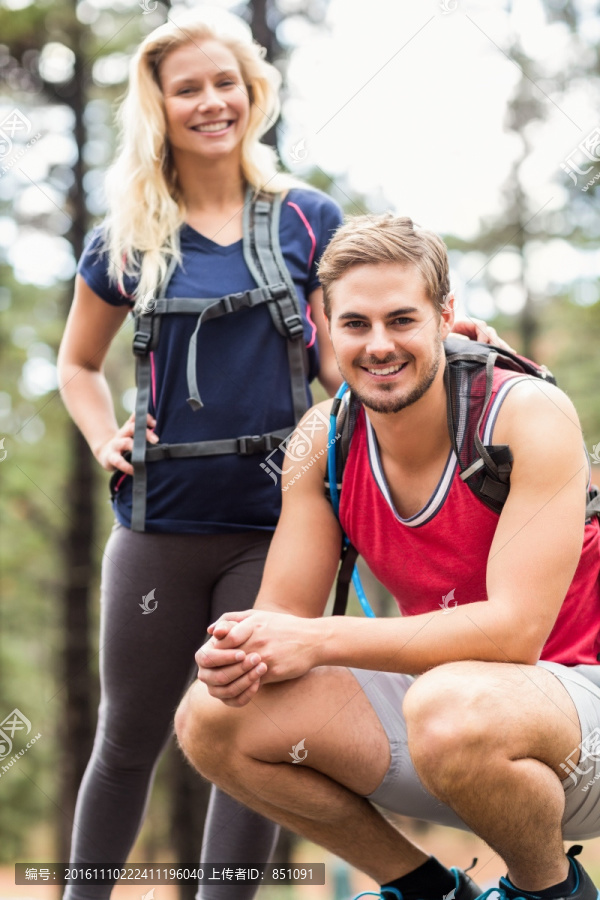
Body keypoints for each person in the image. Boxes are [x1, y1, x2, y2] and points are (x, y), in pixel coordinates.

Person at [175, 214, 600, 900]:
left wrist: (312, 640)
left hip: (575, 721)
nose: (379, 346)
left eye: (402, 320)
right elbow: (284, 612)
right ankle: (429, 892)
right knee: (211, 718)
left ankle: (550, 892)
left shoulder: (527, 415)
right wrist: (242, 650)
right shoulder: (326, 441)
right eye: (356, 324)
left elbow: (515, 635)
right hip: (449, 725)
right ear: (325, 324)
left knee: (446, 703)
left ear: (445, 316)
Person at [56, 9, 346, 899]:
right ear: (160, 107)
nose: (212, 101)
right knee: (127, 735)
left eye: (226, 83)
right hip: (161, 524)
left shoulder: (307, 218)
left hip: (279, 529)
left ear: (252, 91)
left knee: (250, 728)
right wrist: (100, 429)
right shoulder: (125, 235)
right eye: (189, 89)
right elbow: (76, 362)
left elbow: (341, 361)